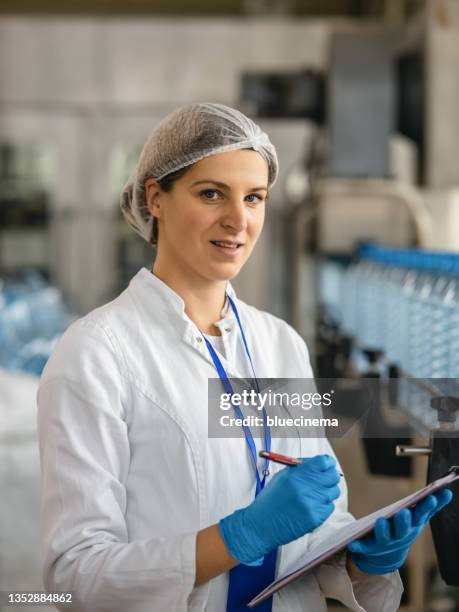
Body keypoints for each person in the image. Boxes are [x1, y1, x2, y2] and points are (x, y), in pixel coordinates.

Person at [37, 102, 452, 612]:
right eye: (211, 193)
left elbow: (315, 528)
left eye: (254, 198)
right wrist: (236, 537)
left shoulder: (279, 344)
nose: (238, 220)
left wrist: (361, 556)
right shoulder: (97, 353)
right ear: (156, 198)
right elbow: (69, 580)